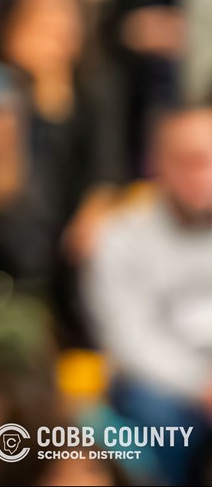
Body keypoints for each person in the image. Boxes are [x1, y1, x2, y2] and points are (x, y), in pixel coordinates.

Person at [84, 107, 212, 485]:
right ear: (158, 164)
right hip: (162, 387)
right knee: (155, 415)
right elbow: (129, 341)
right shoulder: (120, 237)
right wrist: (199, 385)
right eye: (189, 161)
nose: (202, 174)